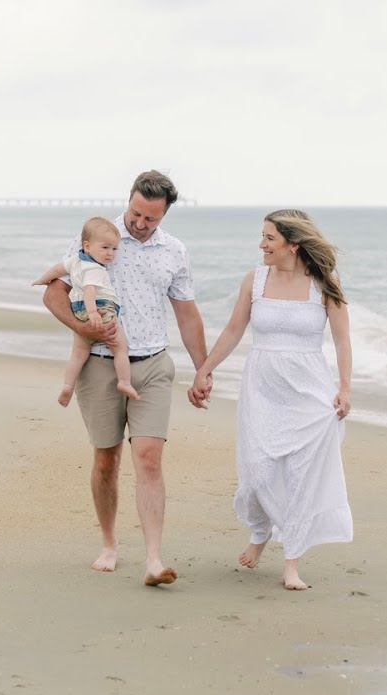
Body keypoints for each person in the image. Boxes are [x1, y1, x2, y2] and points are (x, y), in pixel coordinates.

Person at [42, 170, 208, 587]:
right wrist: (85, 329)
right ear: (129, 200)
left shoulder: (174, 251)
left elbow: (187, 315)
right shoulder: (99, 237)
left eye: (151, 218)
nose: (139, 223)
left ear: (164, 214)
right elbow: (53, 292)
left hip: (153, 364)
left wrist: (203, 369)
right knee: (106, 459)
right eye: (135, 213)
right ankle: (109, 544)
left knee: (149, 457)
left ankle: (153, 560)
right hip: (99, 364)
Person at [187, 209, 353, 590]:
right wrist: (205, 370)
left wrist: (344, 388)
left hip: (309, 392)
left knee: (300, 476)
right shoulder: (255, 280)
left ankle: (292, 562)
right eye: (262, 236)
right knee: (258, 471)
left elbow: (343, 340)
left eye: (269, 238)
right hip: (262, 388)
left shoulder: (324, 284)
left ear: (292, 245)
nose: (261, 244)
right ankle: (261, 531)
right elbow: (234, 330)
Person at [32, 217, 139, 407]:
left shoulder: (75, 260)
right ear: (87, 246)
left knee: (79, 353)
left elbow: (57, 269)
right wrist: (94, 313)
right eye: (105, 247)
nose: (110, 253)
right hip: (100, 309)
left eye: (114, 249)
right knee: (120, 347)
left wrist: (42, 279)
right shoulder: (95, 268)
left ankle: (68, 386)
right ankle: (124, 382)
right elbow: (90, 289)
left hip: (78, 311)